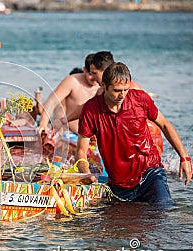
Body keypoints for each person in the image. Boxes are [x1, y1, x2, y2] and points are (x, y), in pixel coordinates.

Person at [75, 62, 191, 204]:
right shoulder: (91, 109)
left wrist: (184, 157)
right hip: (119, 185)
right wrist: (86, 173)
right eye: (117, 90)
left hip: (150, 174)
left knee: (164, 211)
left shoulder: (141, 99)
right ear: (103, 85)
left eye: (126, 89)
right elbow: (81, 151)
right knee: (124, 223)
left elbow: (165, 125)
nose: (122, 95)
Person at [38, 53, 99, 134]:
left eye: (95, 74)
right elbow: (51, 102)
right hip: (70, 133)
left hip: (93, 135)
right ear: (84, 70)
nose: (93, 78)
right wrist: (43, 124)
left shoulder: (103, 87)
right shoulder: (72, 82)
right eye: (90, 74)